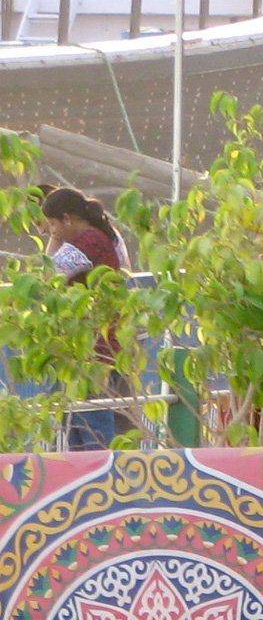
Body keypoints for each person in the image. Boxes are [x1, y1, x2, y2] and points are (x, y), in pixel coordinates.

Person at [40, 185, 128, 449]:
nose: (50, 229)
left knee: (92, 429)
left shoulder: (89, 241)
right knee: (78, 428)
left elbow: (48, 277)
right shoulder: (102, 236)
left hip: (92, 347)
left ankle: (102, 483)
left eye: (53, 223)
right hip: (91, 344)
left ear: (68, 218)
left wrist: (55, 240)